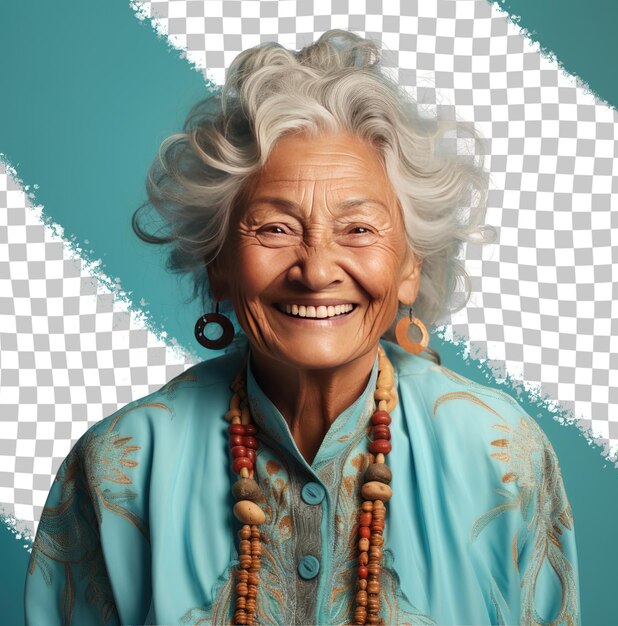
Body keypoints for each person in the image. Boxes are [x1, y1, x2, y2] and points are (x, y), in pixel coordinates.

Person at [25, 30, 580, 626]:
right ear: (219, 264)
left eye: (359, 230)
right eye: (274, 229)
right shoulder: (121, 466)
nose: (316, 271)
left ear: (411, 266)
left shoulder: (503, 457)